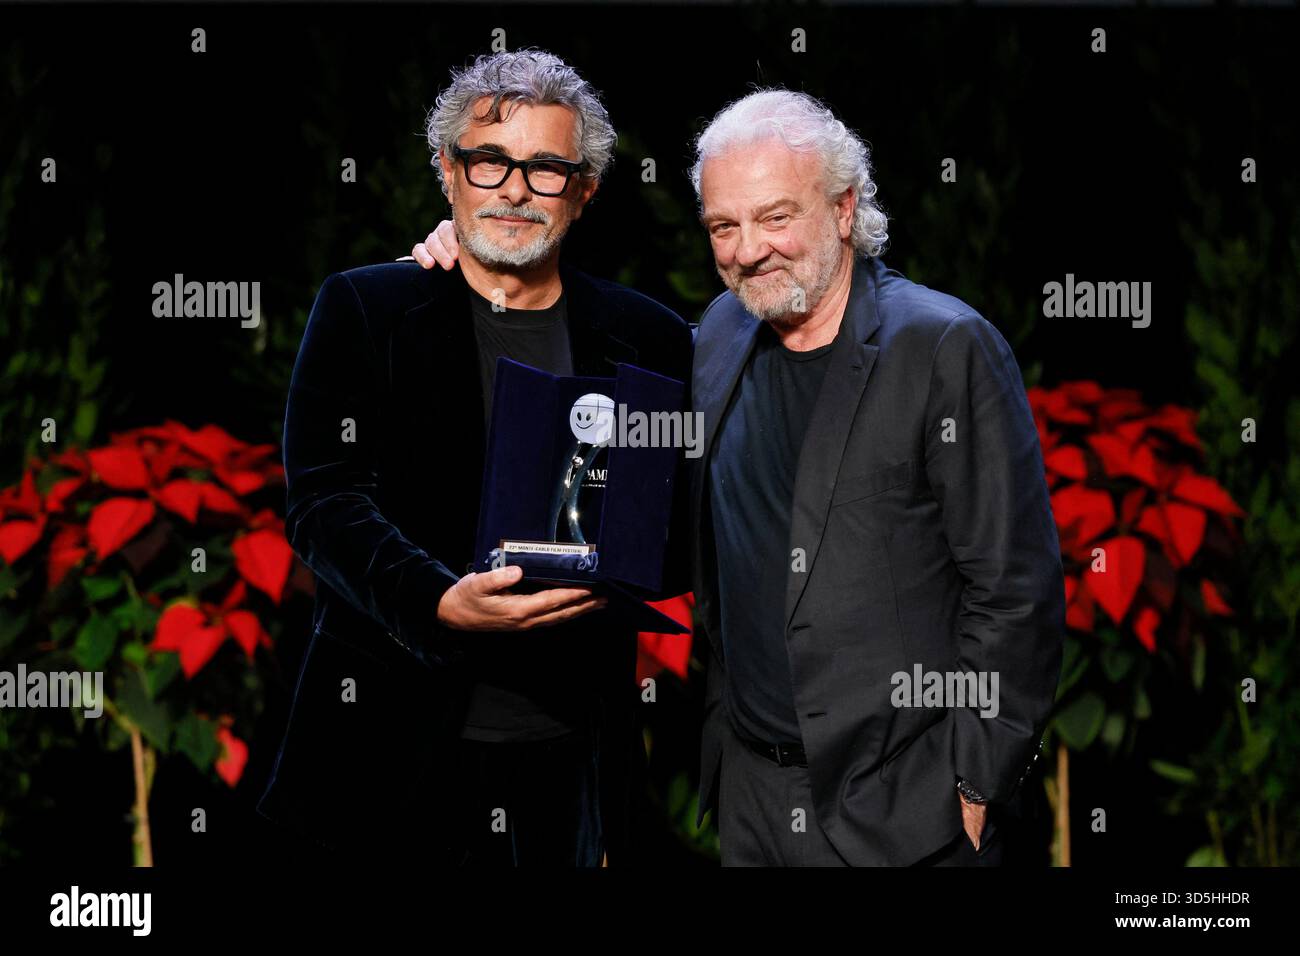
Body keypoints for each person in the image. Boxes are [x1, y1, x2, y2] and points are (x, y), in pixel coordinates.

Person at [411, 87, 1064, 868]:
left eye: (776, 217)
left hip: (908, 810)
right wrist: (468, 254)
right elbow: (651, 506)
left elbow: (1015, 588)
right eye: (724, 225)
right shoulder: (722, 328)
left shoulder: (943, 346)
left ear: (846, 208)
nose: (748, 248)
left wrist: (977, 779)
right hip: (753, 799)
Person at [257, 49, 692, 867]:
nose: (516, 189)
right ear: (448, 173)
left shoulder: (651, 337)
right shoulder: (368, 308)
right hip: (388, 751)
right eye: (489, 161)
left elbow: (676, 516)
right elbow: (323, 503)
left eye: (547, 168)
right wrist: (436, 603)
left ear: (586, 189)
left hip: (572, 760)